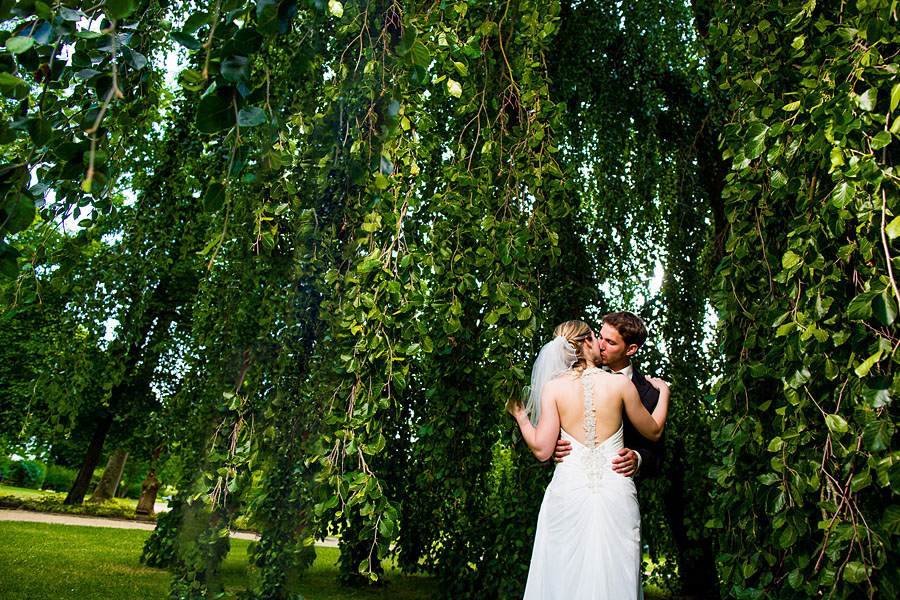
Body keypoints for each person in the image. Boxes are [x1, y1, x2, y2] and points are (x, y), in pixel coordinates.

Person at [506, 320, 669, 599]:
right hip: (615, 490)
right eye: (596, 337)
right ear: (585, 343)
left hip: (567, 490)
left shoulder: (553, 389)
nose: (600, 344)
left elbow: (543, 451)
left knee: (562, 574)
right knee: (618, 573)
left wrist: (522, 418)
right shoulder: (619, 385)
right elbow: (654, 430)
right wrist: (664, 392)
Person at [553, 311, 663, 477]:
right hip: (573, 478)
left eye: (610, 342)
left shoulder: (650, 392)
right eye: (600, 337)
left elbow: (657, 451)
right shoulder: (571, 378)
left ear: (631, 349)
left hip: (618, 486)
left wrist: (638, 459)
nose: (601, 345)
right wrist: (555, 445)